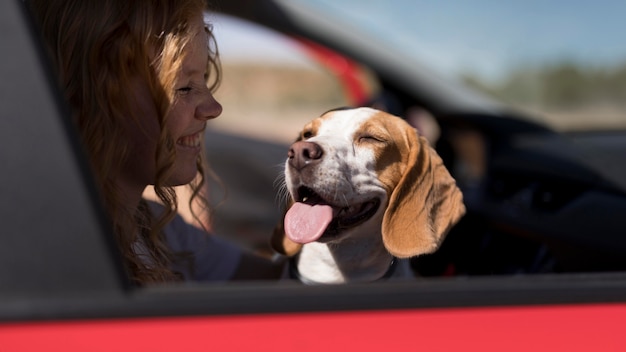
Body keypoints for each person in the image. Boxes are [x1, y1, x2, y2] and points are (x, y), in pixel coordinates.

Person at [27, 0, 285, 285]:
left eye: (204, 81)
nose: (213, 107)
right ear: (93, 98)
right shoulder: (61, 254)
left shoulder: (155, 227)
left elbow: (276, 286)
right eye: (184, 87)